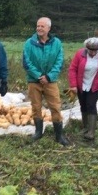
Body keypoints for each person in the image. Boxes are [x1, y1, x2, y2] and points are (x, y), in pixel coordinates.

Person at [23, 17, 68, 146]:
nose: (39, 28)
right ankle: (38, 132)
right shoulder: (29, 43)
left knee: (55, 106)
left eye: (42, 26)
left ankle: (59, 135)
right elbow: (26, 63)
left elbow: (59, 62)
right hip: (34, 81)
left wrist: (48, 77)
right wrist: (38, 76)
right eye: (38, 26)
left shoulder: (56, 43)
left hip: (51, 81)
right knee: (36, 106)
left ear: (49, 28)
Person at [68, 37, 98, 140]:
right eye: (90, 50)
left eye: (95, 50)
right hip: (82, 83)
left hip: (95, 84)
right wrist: (73, 85)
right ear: (86, 48)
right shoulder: (80, 54)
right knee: (83, 105)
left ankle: (91, 132)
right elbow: (73, 69)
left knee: (91, 104)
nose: (93, 53)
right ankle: (85, 127)